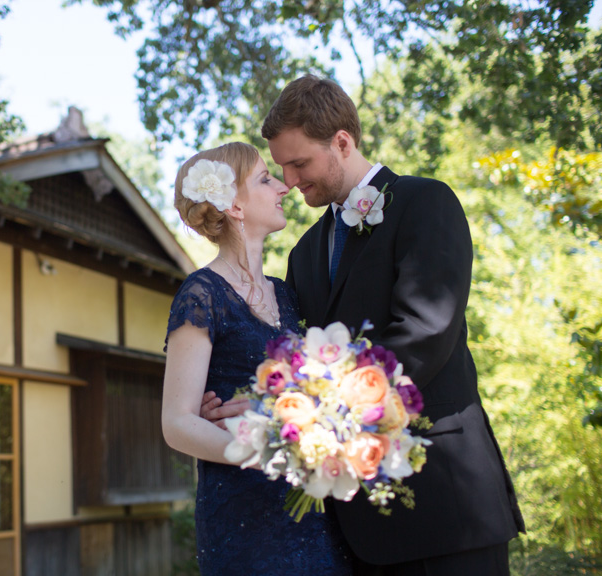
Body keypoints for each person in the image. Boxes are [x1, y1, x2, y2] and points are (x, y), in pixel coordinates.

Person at [205, 75, 526, 575]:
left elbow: (426, 332)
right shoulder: (304, 253)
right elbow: (291, 355)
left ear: (342, 141)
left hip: (444, 500)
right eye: (281, 167)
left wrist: (315, 400)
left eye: (299, 163)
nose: (288, 180)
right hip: (352, 519)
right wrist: (226, 398)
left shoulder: (425, 203)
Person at [162, 141, 353, 575]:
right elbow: (177, 422)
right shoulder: (202, 295)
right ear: (234, 206)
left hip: (312, 510)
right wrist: (266, 449)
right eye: (265, 179)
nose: (283, 188)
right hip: (243, 518)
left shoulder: (287, 294)